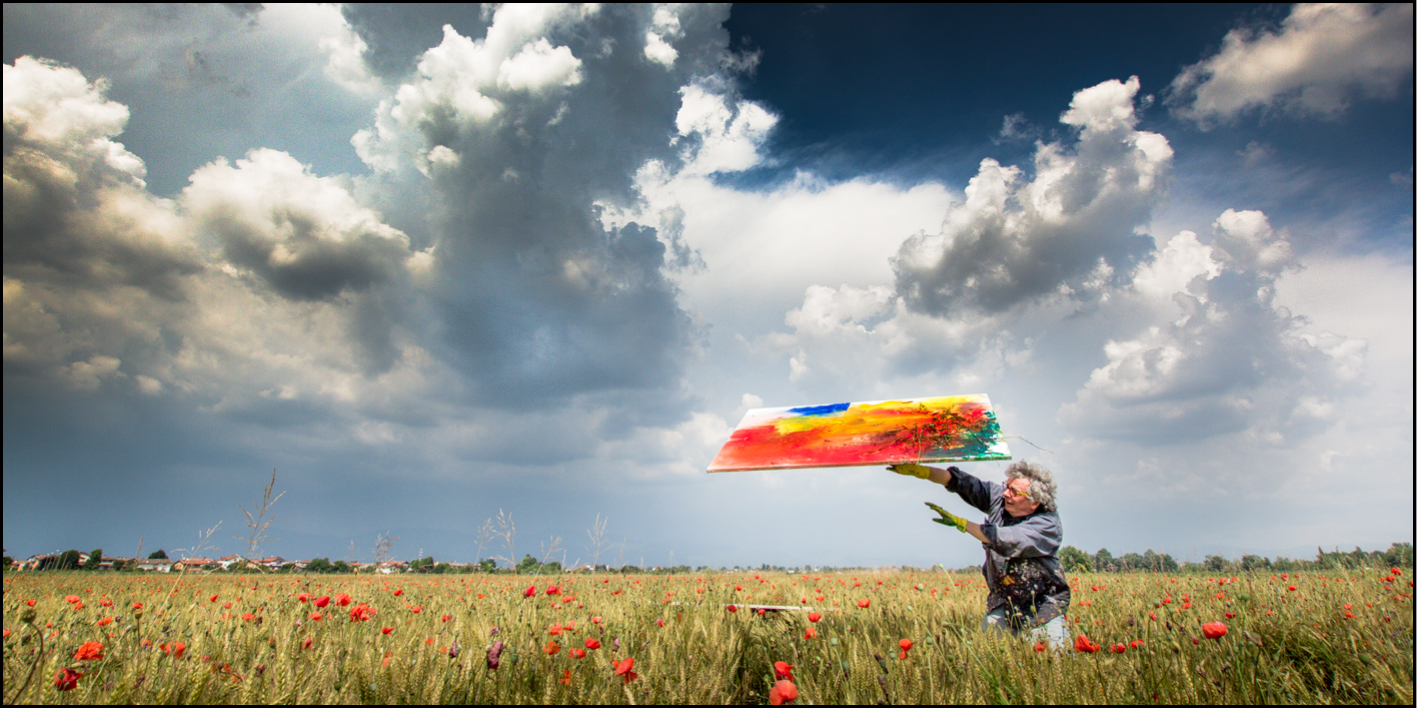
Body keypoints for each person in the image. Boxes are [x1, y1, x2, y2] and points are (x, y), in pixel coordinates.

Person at [888, 461, 1071, 649]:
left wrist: (962, 523)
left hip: (1042, 607)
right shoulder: (1001, 500)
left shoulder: (1047, 525)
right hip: (1003, 601)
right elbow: (963, 484)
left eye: (1014, 492)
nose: (1006, 493)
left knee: (1050, 664)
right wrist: (923, 471)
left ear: (1034, 502)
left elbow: (1003, 539)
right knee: (990, 659)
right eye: (1007, 486)